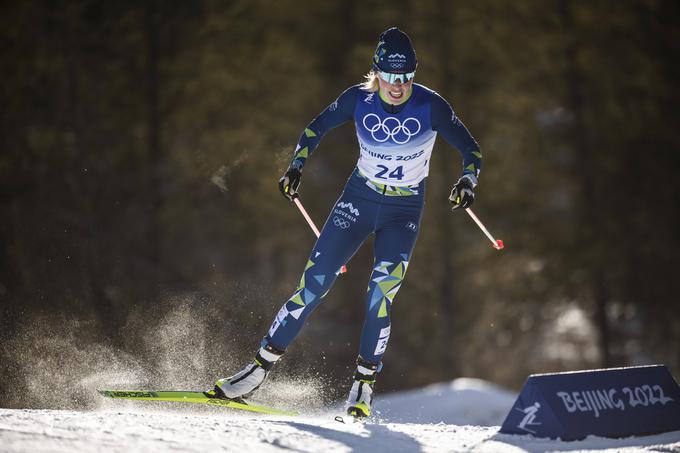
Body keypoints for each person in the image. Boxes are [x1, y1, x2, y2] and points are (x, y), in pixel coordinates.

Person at [212, 27, 482, 418]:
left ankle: (363, 386)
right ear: (376, 72)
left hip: (404, 211)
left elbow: (471, 149)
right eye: (390, 77)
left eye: (406, 76)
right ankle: (255, 372)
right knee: (314, 284)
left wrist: (468, 180)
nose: (397, 85)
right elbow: (315, 127)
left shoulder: (431, 106)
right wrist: (296, 167)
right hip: (358, 200)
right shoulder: (357, 100)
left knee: (380, 294)